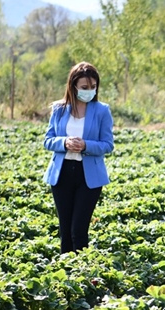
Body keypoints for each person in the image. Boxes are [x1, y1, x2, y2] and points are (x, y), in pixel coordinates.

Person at [43, 62, 114, 254]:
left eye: (93, 87)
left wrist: (85, 146)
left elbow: (108, 145)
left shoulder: (102, 111)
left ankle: (81, 272)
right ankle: (65, 273)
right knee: (65, 230)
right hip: (62, 173)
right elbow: (48, 140)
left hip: (88, 177)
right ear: (73, 86)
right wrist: (64, 143)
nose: (89, 91)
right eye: (84, 88)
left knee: (78, 230)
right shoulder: (59, 109)